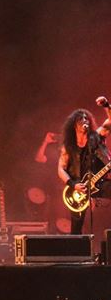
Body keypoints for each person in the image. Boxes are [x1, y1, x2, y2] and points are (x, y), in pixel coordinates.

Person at [56, 99, 111, 234]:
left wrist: (107, 106)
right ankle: (76, 246)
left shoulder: (96, 136)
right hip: (79, 189)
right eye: (81, 119)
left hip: (99, 182)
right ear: (74, 124)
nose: (85, 120)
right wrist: (73, 184)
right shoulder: (68, 146)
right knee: (76, 226)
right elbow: (61, 169)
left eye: (86, 118)